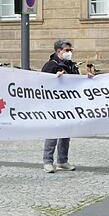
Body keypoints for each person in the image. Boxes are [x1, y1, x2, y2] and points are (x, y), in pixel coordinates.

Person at [41, 40, 80, 173]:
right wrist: (54, 78)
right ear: (59, 51)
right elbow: (41, 83)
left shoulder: (70, 65)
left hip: (67, 105)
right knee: (53, 133)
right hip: (54, 105)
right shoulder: (50, 65)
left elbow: (78, 81)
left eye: (70, 51)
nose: (69, 53)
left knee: (65, 134)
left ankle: (62, 161)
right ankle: (47, 161)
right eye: (67, 51)